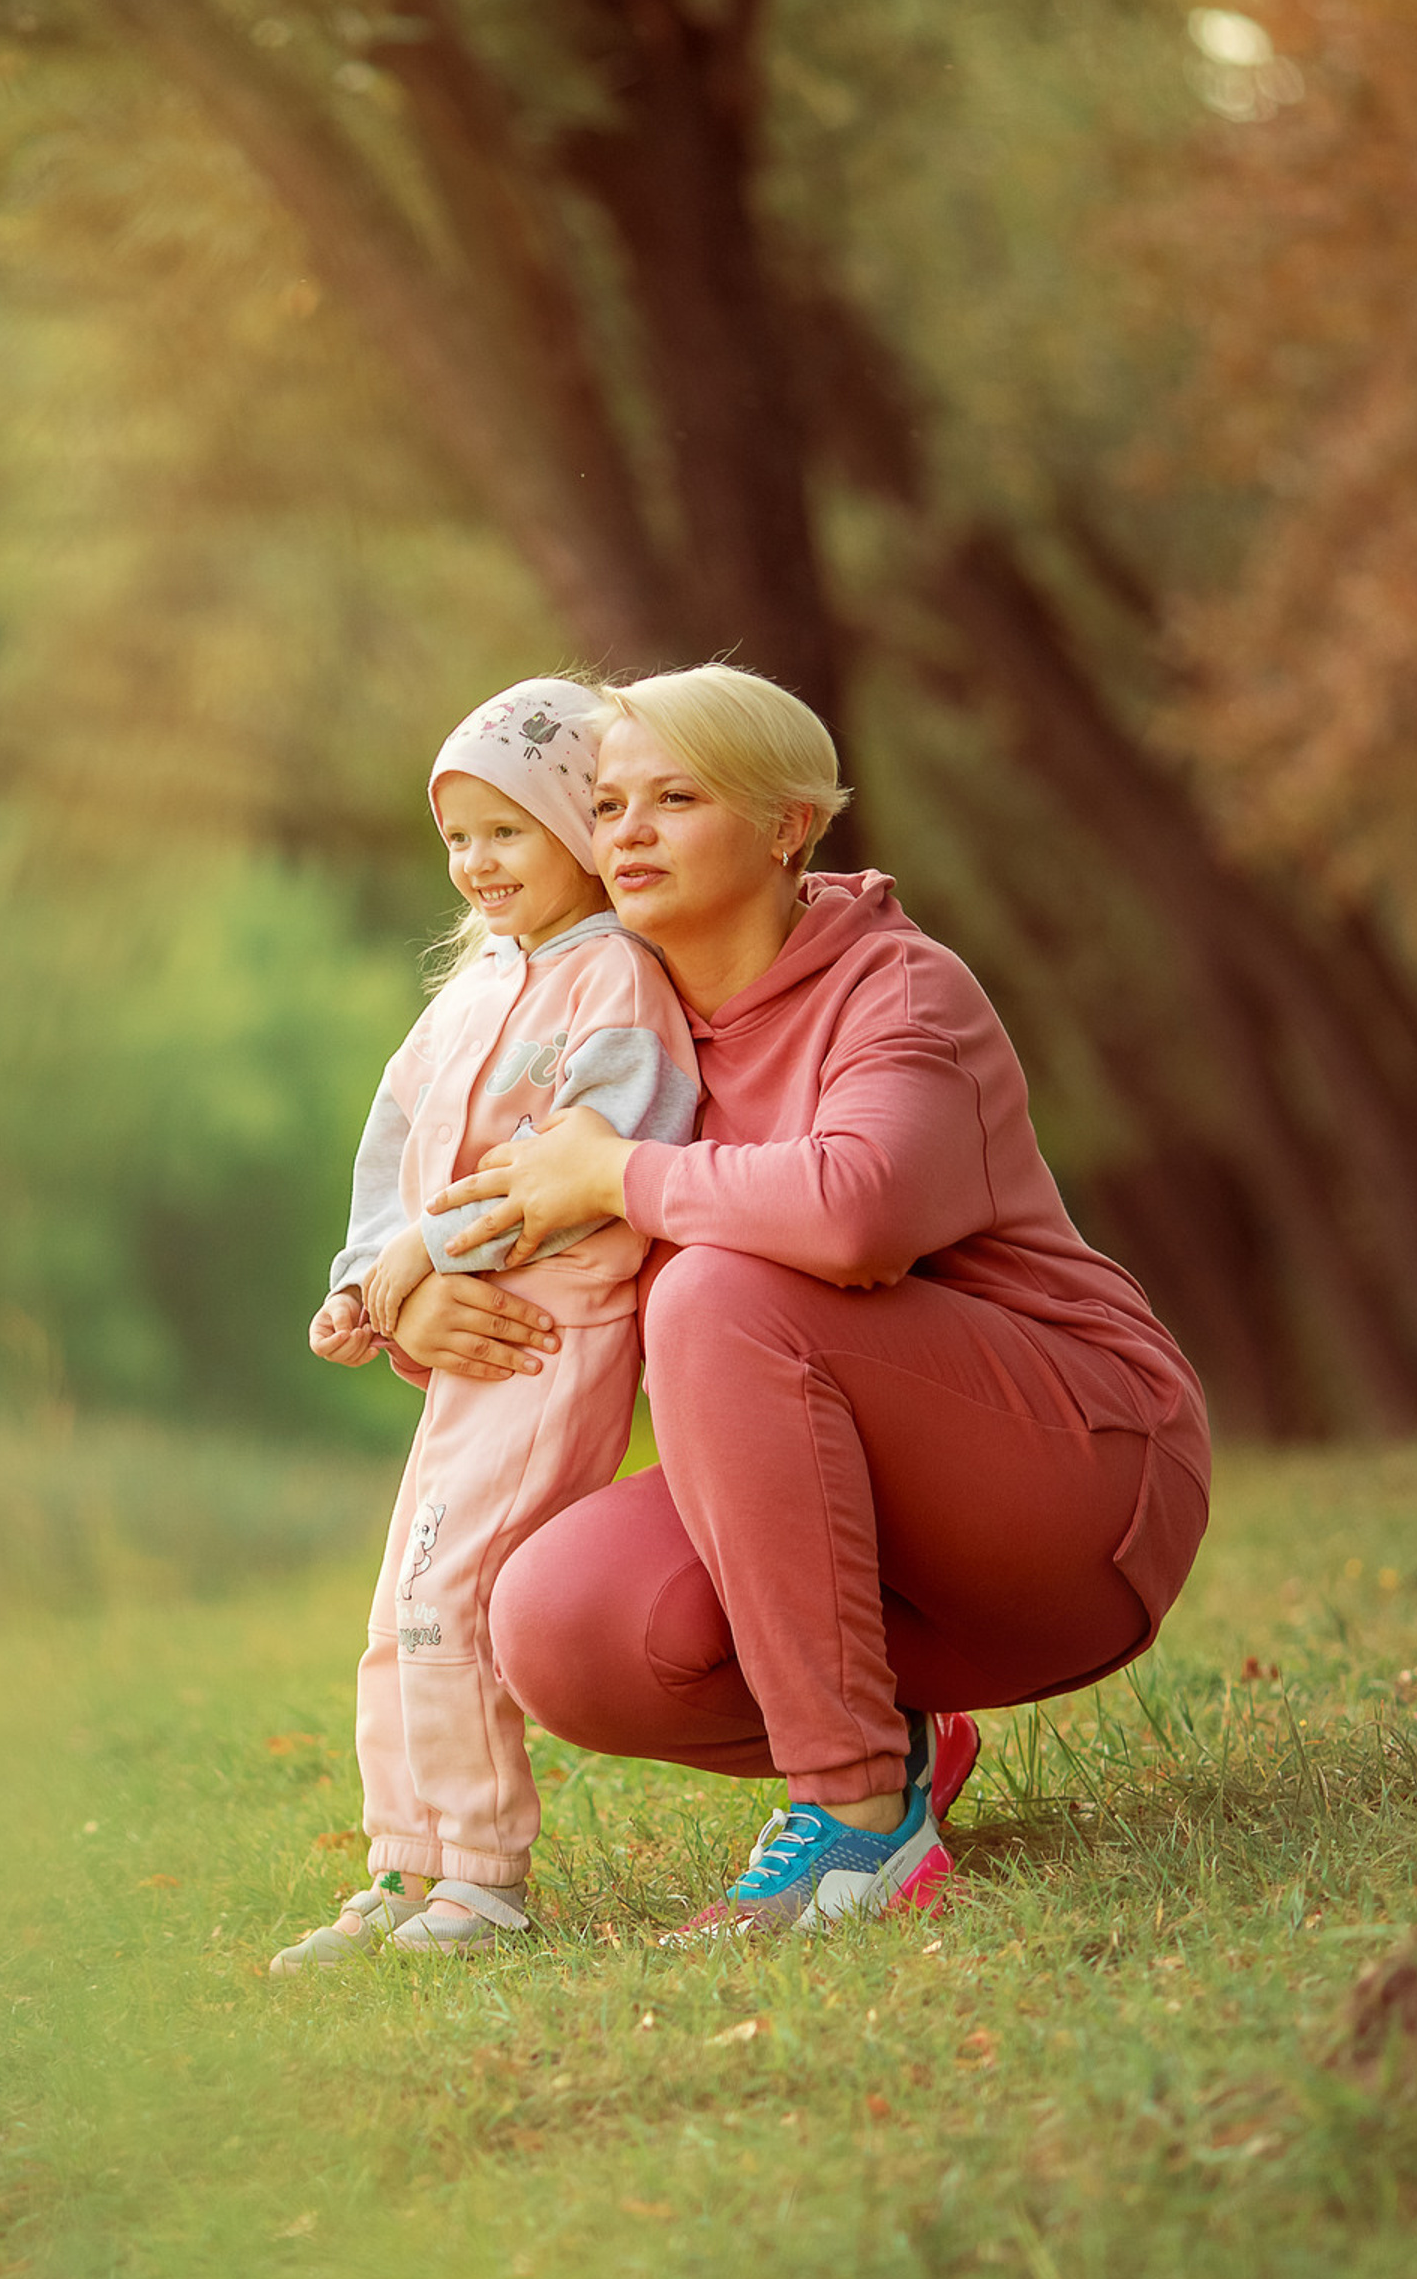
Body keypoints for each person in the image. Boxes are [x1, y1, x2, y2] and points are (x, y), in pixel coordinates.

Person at [399, 665, 1211, 1936]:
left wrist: (618, 1171)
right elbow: (519, 1221)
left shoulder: (896, 989)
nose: (628, 834)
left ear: (787, 825)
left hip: (1077, 1482)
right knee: (551, 1620)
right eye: (607, 806)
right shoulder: (624, 1026)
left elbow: (856, 1213)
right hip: (862, 1527)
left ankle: (853, 1820)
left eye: (674, 798)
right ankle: (893, 1741)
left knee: (721, 1292)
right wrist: (414, 1304)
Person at [275, 679, 699, 1970]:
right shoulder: (461, 1001)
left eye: (506, 831)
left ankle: (483, 1877)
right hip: (466, 1340)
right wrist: (367, 1281)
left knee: (450, 1591)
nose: (475, 862)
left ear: (581, 825)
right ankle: (403, 1862)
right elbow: (390, 1157)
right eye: (457, 838)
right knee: (400, 1597)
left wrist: (418, 1260)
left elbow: (582, 1163)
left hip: (547, 1337)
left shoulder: (616, 983)